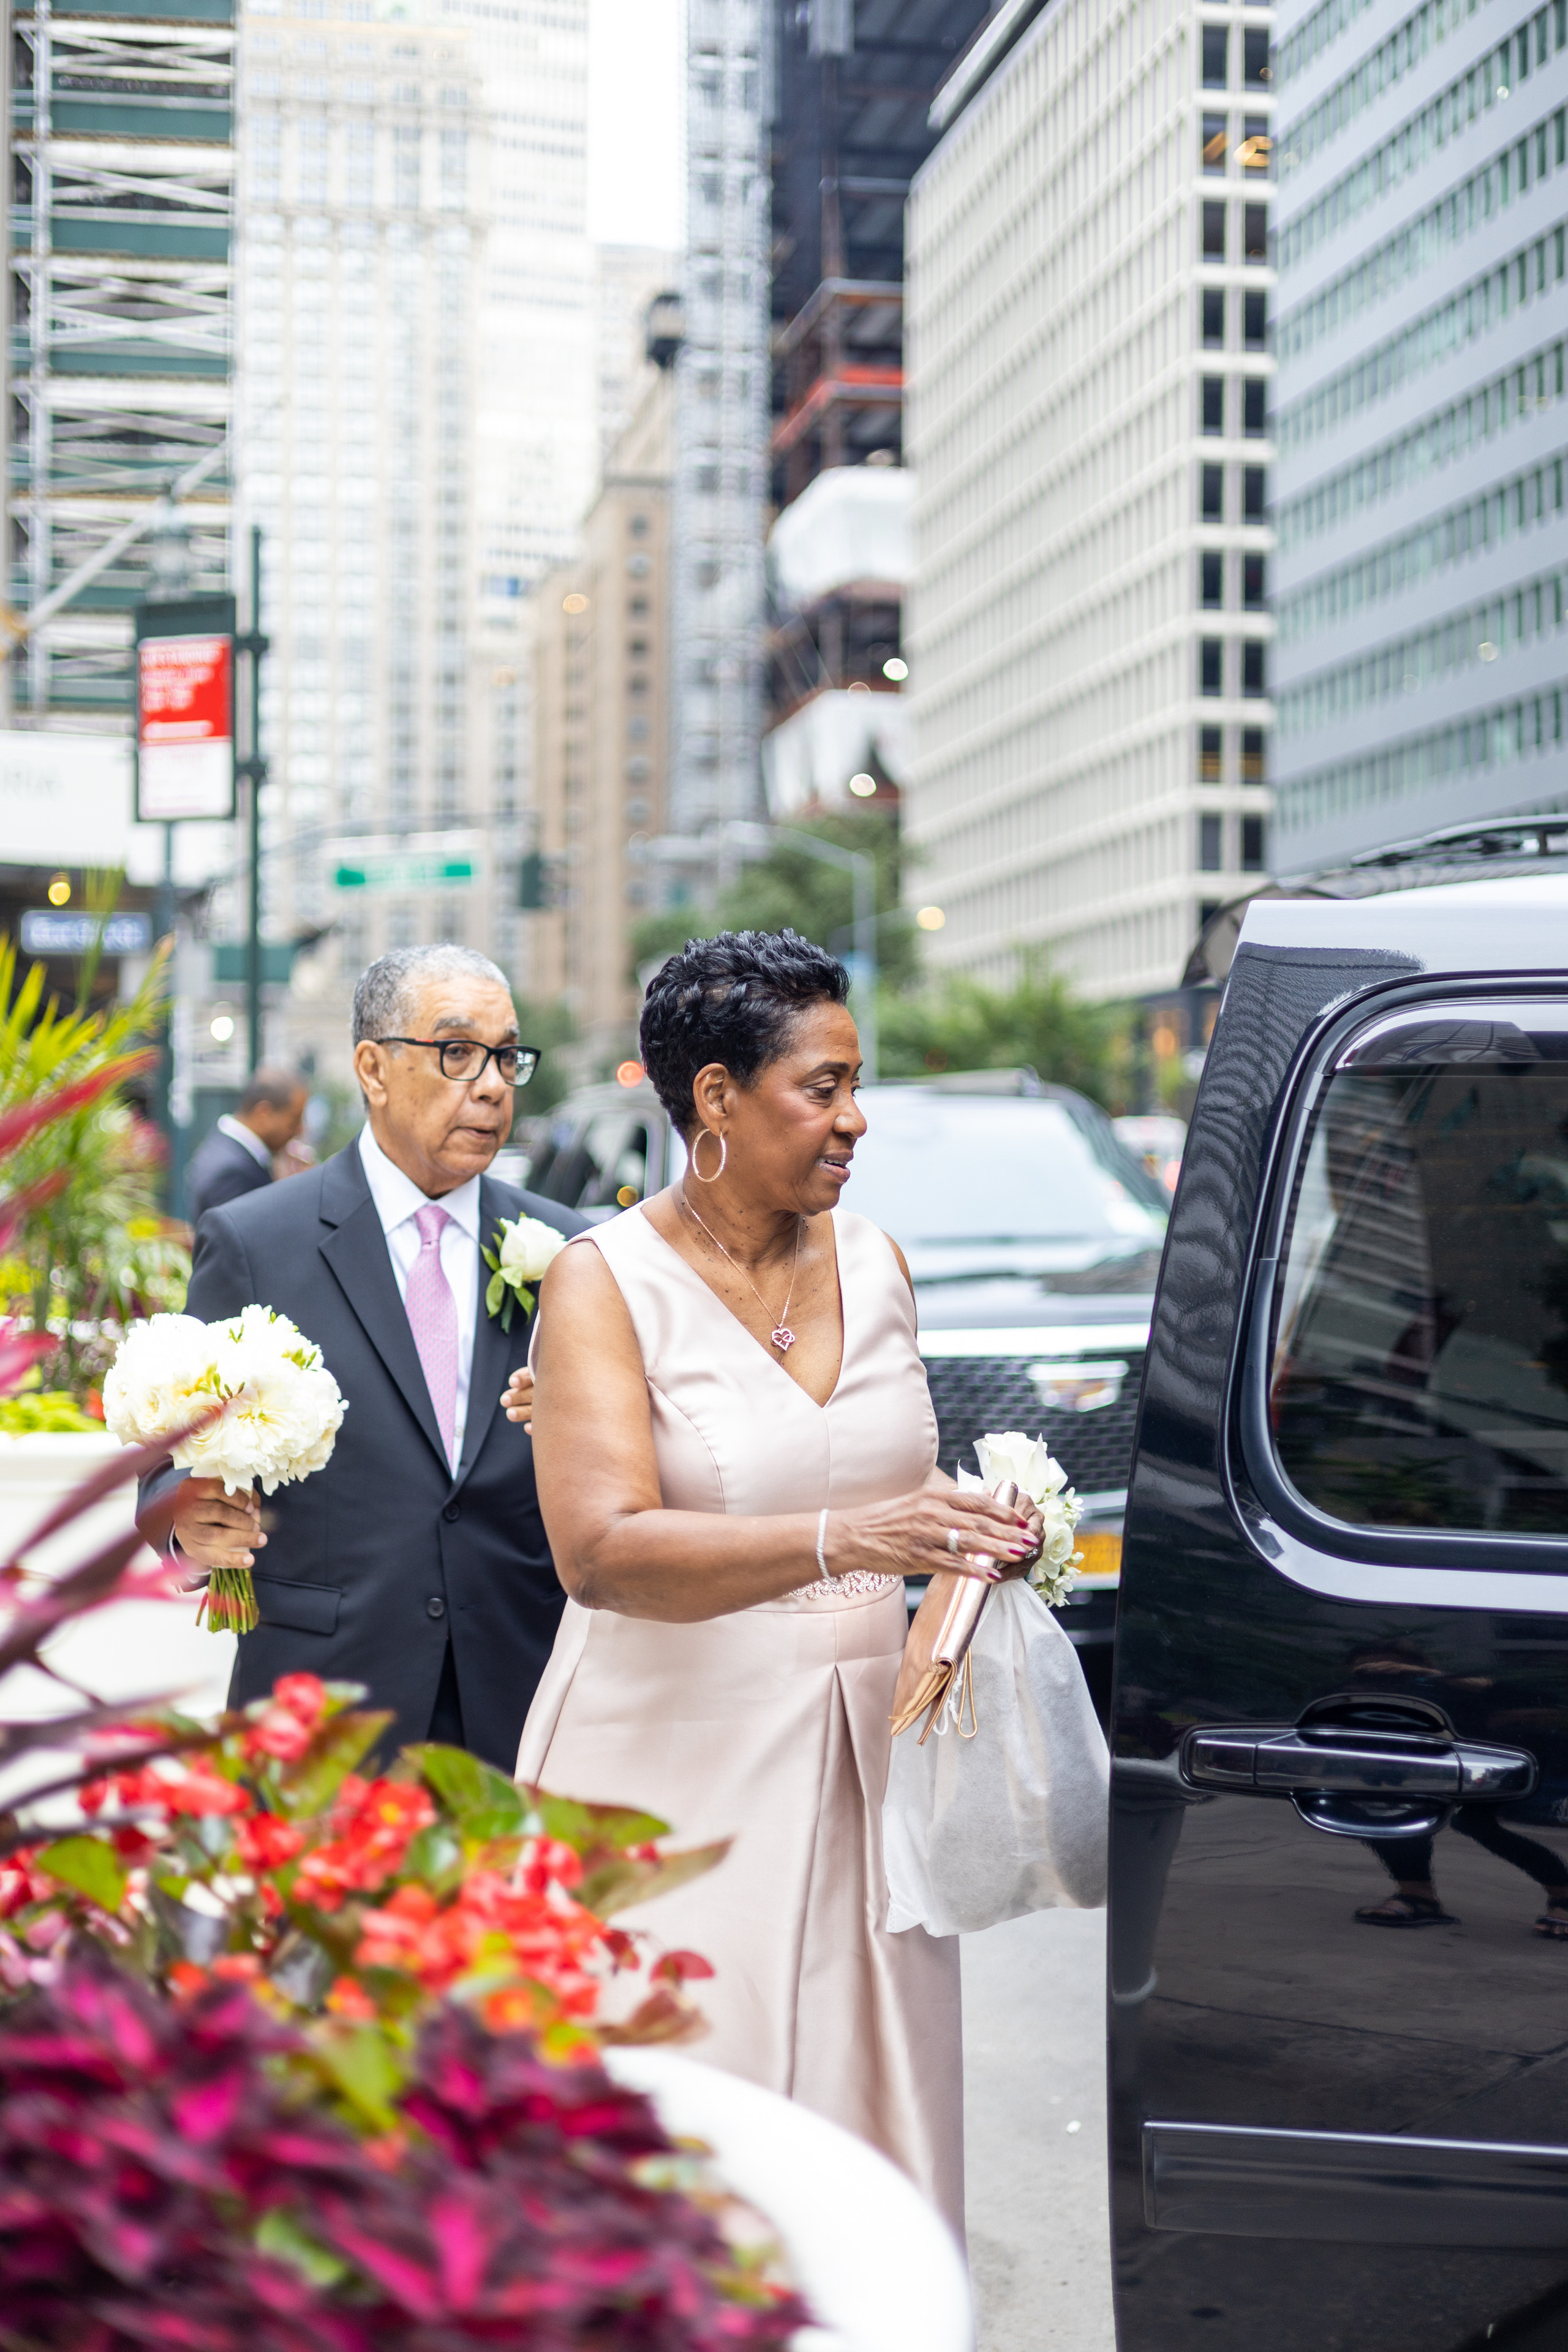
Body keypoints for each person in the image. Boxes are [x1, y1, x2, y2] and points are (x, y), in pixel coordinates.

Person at [513, 930, 1044, 2234]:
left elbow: (912, 1501)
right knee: (689, 2121)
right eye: (822, 1087)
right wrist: (843, 1538)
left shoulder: (878, 1262)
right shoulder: (603, 1283)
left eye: (856, 1083)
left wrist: (979, 1549)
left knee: (873, 2120)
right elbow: (599, 1551)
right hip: (668, 1765)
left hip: (872, 1753)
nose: (854, 1120)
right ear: (713, 1098)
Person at [137, 944, 586, 1768]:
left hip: (522, 1701)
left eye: (506, 1058)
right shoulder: (256, 1242)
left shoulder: (570, 1248)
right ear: (374, 1069)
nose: (491, 1085)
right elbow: (169, 1464)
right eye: (457, 1053)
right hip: (324, 1710)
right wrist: (185, 1521)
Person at [186, 1069, 308, 1224]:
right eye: (295, 1119)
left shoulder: (227, 1151)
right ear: (263, 1113)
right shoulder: (232, 1172)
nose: (300, 1129)